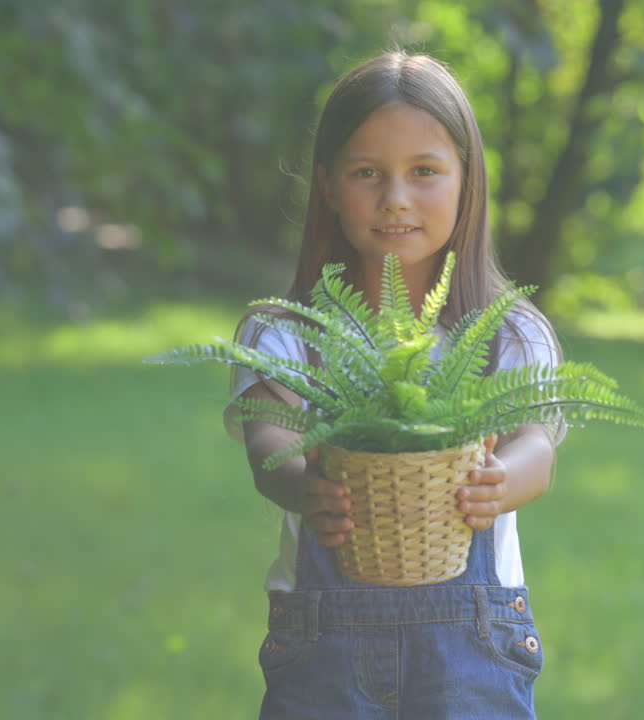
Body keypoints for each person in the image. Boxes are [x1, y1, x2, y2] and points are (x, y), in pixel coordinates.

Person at [225, 50, 566, 719]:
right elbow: (269, 442)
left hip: (473, 640)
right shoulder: (288, 333)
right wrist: (302, 484)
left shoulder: (505, 333)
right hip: (324, 648)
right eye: (366, 173)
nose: (395, 198)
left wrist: (504, 478)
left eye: (425, 172)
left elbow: (538, 446)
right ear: (327, 185)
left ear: (468, 183)